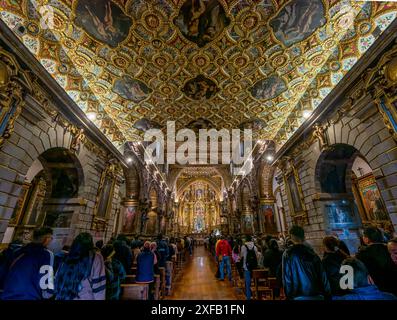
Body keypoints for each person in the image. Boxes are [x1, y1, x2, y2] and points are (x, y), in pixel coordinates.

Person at [1, 228, 54, 300]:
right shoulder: (47, 255)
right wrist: (48, 293)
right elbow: (45, 280)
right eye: (51, 238)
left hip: (7, 294)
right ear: (47, 239)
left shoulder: (17, 251)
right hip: (29, 296)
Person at [282, 225, 331, 300]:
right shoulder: (312, 253)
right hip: (316, 294)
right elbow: (323, 276)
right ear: (303, 237)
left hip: (298, 295)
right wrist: (327, 295)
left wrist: (289, 296)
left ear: (291, 237)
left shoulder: (288, 254)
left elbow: (287, 278)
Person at [55, 232, 106, 300]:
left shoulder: (66, 257)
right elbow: (99, 286)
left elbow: (57, 279)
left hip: (64, 296)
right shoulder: (96, 258)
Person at [356, 226, 397, 295]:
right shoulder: (388, 248)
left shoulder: (362, 254)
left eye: (363, 236)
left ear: (366, 239)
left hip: (378, 289)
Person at [240, 235, 258, 300]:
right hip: (254, 267)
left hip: (246, 266)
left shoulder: (243, 247)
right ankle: (256, 296)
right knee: (256, 282)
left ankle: (248, 297)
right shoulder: (255, 247)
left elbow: (241, 255)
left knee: (247, 283)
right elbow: (257, 257)